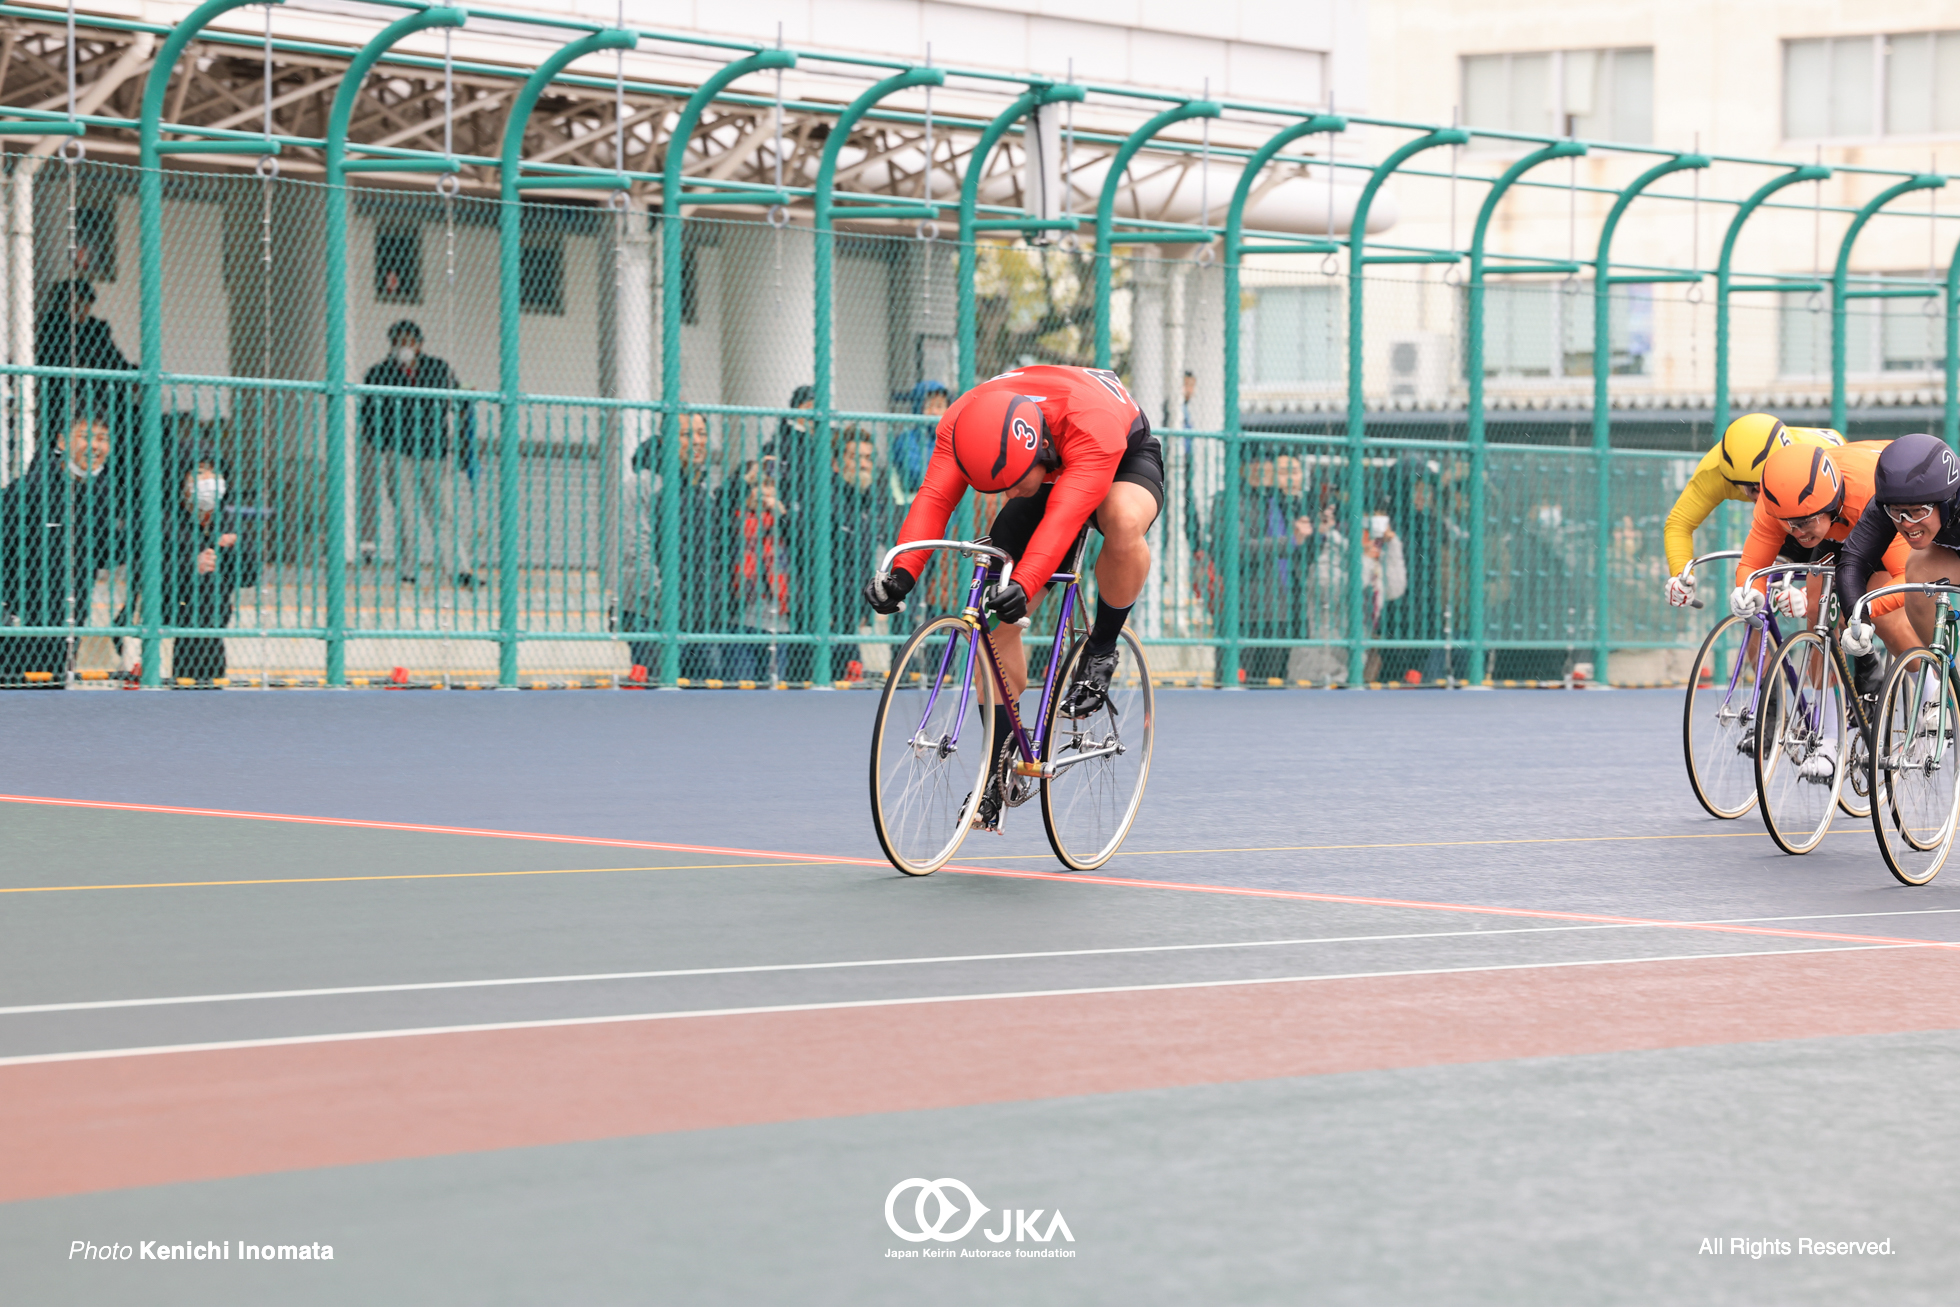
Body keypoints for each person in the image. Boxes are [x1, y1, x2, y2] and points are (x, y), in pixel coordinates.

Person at [864, 365, 1164, 832]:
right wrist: (902, 572)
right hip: (1045, 469)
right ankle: (999, 764)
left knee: (1119, 520)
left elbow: (1063, 520)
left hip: (1115, 450)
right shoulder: (961, 420)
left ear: (1040, 448)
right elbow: (935, 498)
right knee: (991, 619)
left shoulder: (1092, 428)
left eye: (1010, 481)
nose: (1004, 492)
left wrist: (1025, 584)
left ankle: (1102, 649)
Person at [1662, 412, 1845, 609]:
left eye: (1767, 485)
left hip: (1818, 506)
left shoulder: (1812, 460)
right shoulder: (1714, 474)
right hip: (1782, 515)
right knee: (1755, 589)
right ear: (1732, 480)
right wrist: (1682, 576)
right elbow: (1679, 525)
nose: (1762, 496)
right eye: (1754, 489)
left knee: (1823, 589)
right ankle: (1757, 637)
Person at [357, 320, 478, 589]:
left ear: (420, 344)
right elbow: (368, 412)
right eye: (399, 342)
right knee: (406, 514)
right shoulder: (380, 373)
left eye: (409, 341)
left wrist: (460, 440)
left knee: (443, 513)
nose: (404, 347)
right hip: (399, 452)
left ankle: (458, 569)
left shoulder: (437, 368)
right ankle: (408, 572)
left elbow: (458, 399)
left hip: (433, 450)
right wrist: (381, 442)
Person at [0, 416, 119, 686]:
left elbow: (106, 555)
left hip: (68, 622)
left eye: (103, 438)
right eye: (86, 436)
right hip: (18, 623)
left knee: (53, 697)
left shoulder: (103, 496)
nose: (95, 446)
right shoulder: (28, 490)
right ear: (62, 441)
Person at [621, 412, 724, 682]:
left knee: (705, 700)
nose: (698, 441)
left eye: (702, 434)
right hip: (654, 616)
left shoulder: (702, 489)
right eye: (687, 434)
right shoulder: (643, 485)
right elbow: (636, 550)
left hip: (701, 619)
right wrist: (665, 602)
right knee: (658, 698)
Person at [1840, 433, 1960, 662]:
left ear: (1946, 501)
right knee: (1918, 570)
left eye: (1918, 511)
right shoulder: (1886, 505)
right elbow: (1853, 561)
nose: (1906, 523)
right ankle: (1948, 671)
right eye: (1897, 511)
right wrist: (1859, 619)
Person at [153, 449, 260, 684]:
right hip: (173, 626)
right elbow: (150, 575)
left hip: (214, 627)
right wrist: (191, 566)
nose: (209, 479)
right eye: (199, 472)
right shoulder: (164, 520)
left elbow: (249, 577)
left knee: (211, 691)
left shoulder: (227, 519)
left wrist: (236, 549)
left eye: (215, 472)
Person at [1210, 444, 1311, 683]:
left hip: (1284, 611)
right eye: (1258, 463)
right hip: (1248, 611)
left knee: (1274, 683)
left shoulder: (1282, 501)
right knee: (1236, 680)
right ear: (1244, 468)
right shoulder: (1231, 501)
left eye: (1268, 464)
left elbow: (1300, 554)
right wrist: (1289, 541)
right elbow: (1237, 549)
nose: (1265, 468)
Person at [34, 279, 135, 448]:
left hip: (101, 391)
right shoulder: (55, 325)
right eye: (75, 303)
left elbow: (115, 360)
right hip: (67, 391)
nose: (81, 309)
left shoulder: (96, 328)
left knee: (130, 414)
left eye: (85, 304)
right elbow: (53, 358)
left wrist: (134, 372)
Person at [831, 425, 893, 678]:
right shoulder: (828, 499)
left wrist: (861, 609)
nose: (865, 465)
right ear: (837, 463)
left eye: (868, 458)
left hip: (851, 615)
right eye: (856, 458)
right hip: (826, 618)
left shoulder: (868, 500)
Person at [888, 381, 949, 499]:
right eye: (928, 406)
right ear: (918, 408)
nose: (934, 412)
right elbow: (915, 476)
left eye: (940, 406)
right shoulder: (906, 440)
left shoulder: (951, 440)